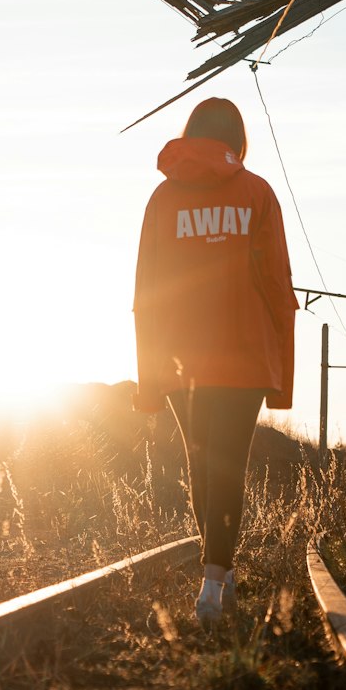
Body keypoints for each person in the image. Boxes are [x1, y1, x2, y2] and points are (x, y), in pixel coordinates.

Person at [132, 97, 297, 629]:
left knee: (201, 463)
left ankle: (214, 584)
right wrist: (282, 376)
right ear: (236, 141)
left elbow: (146, 290)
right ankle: (213, 586)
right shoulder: (257, 194)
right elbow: (278, 287)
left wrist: (149, 378)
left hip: (180, 360)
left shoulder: (162, 199)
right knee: (228, 465)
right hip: (245, 355)